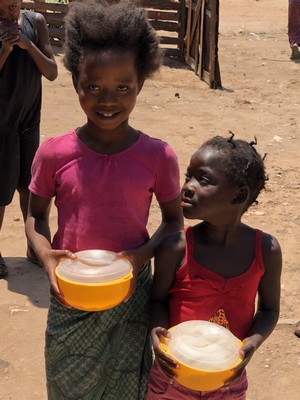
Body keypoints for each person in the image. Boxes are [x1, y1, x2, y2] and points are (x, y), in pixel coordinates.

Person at [25, 0, 183, 398]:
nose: (107, 100)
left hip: (131, 292)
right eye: (93, 87)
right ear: (76, 82)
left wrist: (139, 257)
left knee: (126, 381)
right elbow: (35, 217)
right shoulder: (54, 154)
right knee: (67, 381)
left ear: (140, 84)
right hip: (70, 293)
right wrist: (46, 257)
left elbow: (173, 221)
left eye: (122, 88)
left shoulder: (157, 157)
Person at [146, 133, 282, 399]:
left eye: (203, 179)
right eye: (188, 176)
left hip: (228, 381)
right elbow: (157, 300)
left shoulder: (266, 250)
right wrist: (157, 334)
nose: (187, 186)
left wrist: (252, 342)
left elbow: (269, 309)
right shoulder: (176, 247)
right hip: (173, 377)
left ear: (238, 195)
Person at [0, 0, 58, 278]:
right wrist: (5, 50)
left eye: (12, 8)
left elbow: (51, 72)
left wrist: (27, 44)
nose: (7, 15)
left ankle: (33, 246)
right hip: (1, 125)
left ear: (21, 4)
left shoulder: (36, 23)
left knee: (29, 186)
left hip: (28, 121)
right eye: (0, 10)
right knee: (0, 190)